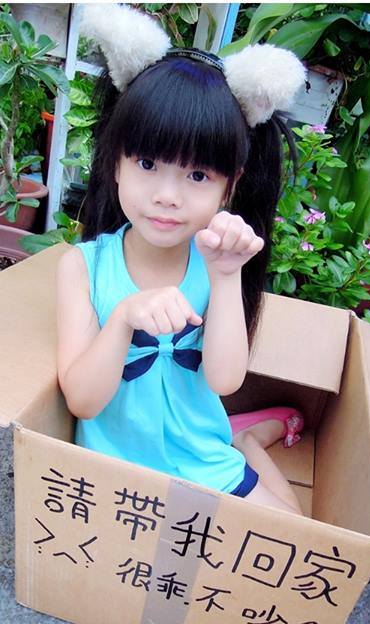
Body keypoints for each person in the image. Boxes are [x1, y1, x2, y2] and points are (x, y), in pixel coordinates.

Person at [56, 5, 307, 514]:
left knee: (296, 528)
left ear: (229, 186)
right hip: (113, 468)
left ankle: (247, 441)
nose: (167, 196)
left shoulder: (215, 260)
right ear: (116, 163)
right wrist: (123, 318)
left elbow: (223, 381)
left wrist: (227, 274)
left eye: (197, 176)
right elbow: (81, 401)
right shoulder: (84, 267)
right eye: (148, 163)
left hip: (200, 458)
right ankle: (247, 437)